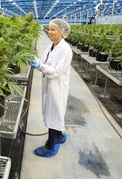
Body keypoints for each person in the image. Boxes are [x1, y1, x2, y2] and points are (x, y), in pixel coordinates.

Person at [29, 19, 73, 157]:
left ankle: (50, 145)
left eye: (53, 29)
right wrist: (35, 61)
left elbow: (55, 71)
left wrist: (39, 66)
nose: (50, 32)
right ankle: (59, 136)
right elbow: (43, 62)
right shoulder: (51, 46)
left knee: (54, 115)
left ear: (62, 31)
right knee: (55, 112)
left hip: (57, 88)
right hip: (49, 86)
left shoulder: (65, 50)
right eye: (49, 29)